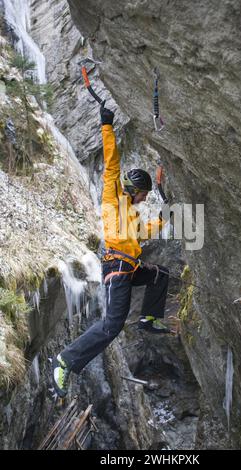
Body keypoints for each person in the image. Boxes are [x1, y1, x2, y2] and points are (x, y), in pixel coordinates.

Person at [51, 102, 170, 398]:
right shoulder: (113, 198)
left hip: (128, 268)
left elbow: (145, 232)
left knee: (160, 274)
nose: (144, 199)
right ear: (133, 189)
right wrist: (107, 125)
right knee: (111, 327)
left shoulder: (131, 214)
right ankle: (66, 359)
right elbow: (112, 162)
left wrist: (167, 215)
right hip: (117, 269)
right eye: (143, 194)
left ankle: (148, 319)